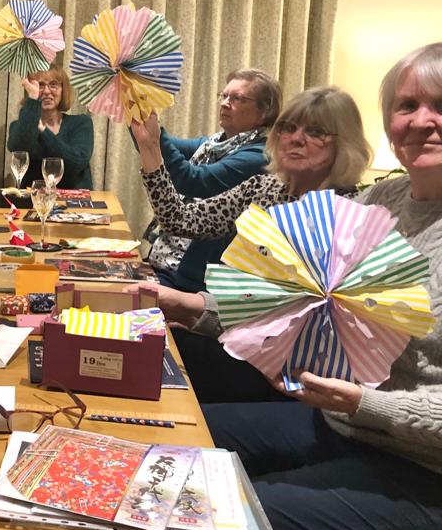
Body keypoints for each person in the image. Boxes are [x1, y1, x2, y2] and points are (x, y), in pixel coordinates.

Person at [200, 44, 442, 530]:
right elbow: (286, 296)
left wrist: (366, 402)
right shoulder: (383, 199)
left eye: (440, 105)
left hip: (426, 471)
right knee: (182, 439)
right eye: (407, 105)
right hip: (347, 427)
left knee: (224, 520)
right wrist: (190, 306)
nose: (423, 121)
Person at [132, 86, 371, 403]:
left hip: (293, 375)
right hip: (236, 342)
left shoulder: (349, 212)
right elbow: (180, 219)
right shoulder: (266, 187)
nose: (296, 138)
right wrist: (150, 147)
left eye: (316, 132)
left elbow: (291, 314)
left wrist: (188, 305)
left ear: (344, 143)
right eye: (288, 127)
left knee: (151, 368)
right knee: (139, 349)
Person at [144, 69, 281, 293]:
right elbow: (162, 145)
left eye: (237, 98)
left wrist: (150, 134)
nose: (225, 103)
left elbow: (193, 180)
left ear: (264, 112)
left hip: (192, 283)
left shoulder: (258, 157)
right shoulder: (215, 143)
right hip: (166, 263)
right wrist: (137, 111)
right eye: (224, 96)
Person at [6, 67, 93, 189]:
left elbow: (76, 163)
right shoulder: (19, 126)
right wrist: (32, 99)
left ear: (63, 90)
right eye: (40, 85)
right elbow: (18, 149)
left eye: (53, 85)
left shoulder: (81, 123)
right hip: (35, 197)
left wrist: (43, 130)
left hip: (75, 198)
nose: (46, 91)